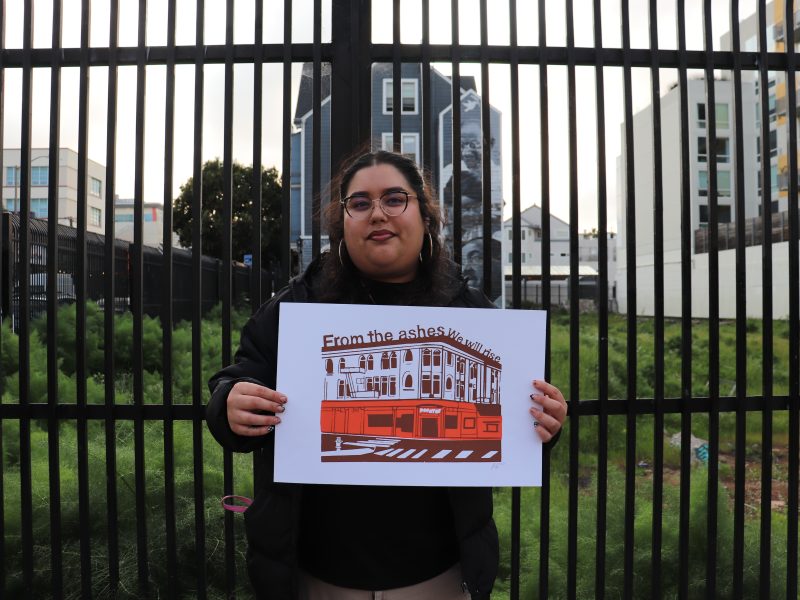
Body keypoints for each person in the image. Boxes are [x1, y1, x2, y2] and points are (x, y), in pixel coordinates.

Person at [207, 150, 567, 600]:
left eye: (395, 199)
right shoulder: (297, 306)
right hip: (315, 577)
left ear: (425, 214)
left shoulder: (470, 312)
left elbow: (522, 418)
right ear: (342, 221)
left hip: (437, 578)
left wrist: (546, 423)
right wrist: (230, 403)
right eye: (360, 203)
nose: (377, 213)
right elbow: (237, 381)